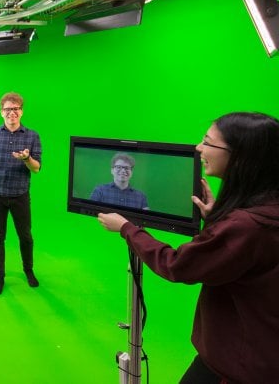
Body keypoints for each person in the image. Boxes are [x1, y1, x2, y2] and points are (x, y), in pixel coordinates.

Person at [98, 112, 279, 383]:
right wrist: (219, 217)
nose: (198, 148)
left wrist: (127, 228)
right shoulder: (264, 209)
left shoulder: (246, 226)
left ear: (240, 156)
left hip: (239, 365)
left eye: (208, 142)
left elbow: (177, 264)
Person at [0, 91, 42, 294]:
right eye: (7, 109)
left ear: (21, 112)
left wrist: (26, 159)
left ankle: (28, 270)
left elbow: (37, 168)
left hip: (20, 193)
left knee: (26, 236)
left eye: (15, 109)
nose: (12, 113)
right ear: (1, 112)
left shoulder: (32, 136)